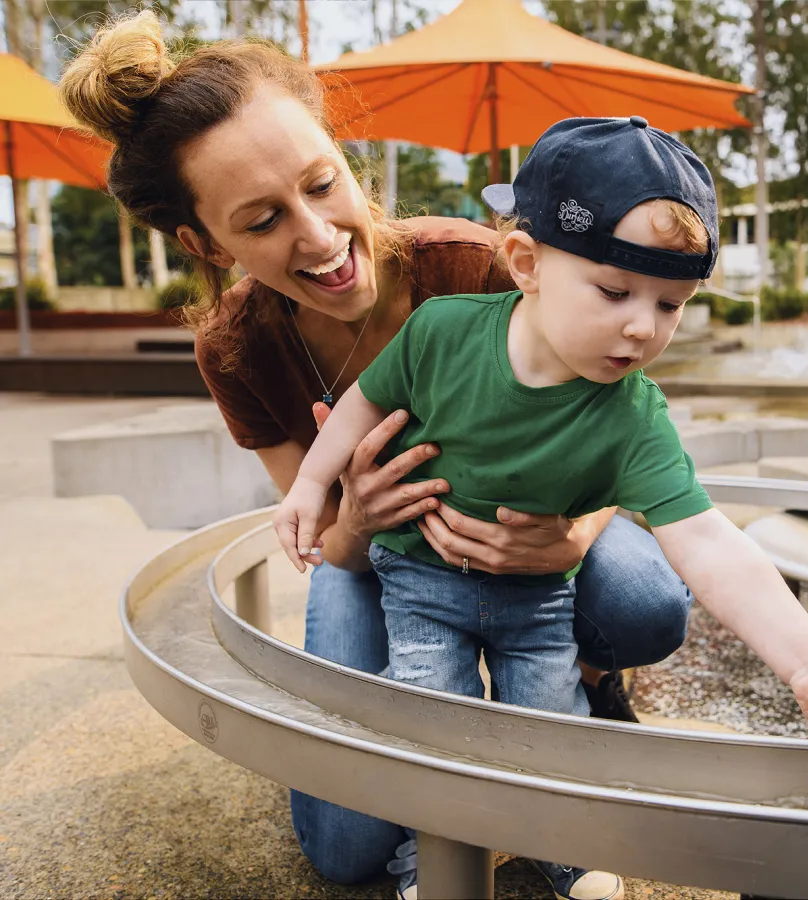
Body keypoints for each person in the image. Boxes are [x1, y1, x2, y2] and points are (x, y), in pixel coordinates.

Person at [58, 14, 713, 898]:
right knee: (344, 847)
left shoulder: (477, 267)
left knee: (645, 602)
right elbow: (322, 537)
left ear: (342, 156)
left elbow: (616, 424)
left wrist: (575, 535)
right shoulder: (238, 350)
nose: (320, 236)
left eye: (323, 185)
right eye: (263, 220)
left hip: (532, 532)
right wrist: (357, 522)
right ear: (210, 246)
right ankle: (465, 713)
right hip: (379, 560)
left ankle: (581, 691)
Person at [274, 115, 808, 900]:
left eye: (671, 304)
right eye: (615, 291)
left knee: (550, 725)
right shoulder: (441, 334)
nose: (643, 326)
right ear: (526, 263)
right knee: (437, 716)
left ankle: (559, 843)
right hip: (423, 583)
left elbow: (707, 541)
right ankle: (438, 855)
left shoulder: (633, 414)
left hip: (536, 602)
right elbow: (361, 406)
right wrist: (306, 489)